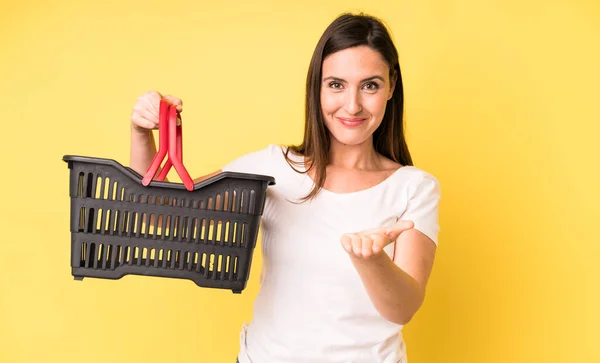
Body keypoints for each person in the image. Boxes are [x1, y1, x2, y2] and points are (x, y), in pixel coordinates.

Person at [129, 12, 441, 363]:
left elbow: (402, 309)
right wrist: (143, 134)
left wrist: (369, 259)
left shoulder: (414, 188)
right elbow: (161, 218)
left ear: (391, 86)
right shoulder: (274, 168)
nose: (352, 105)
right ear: (317, 87)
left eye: (370, 85)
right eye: (336, 84)